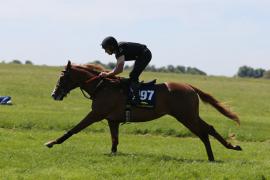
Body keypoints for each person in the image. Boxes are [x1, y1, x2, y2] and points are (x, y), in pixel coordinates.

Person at [99, 36, 152, 104]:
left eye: (106, 49)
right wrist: (108, 74)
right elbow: (117, 67)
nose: (105, 51)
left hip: (145, 54)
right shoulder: (118, 50)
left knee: (133, 76)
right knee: (132, 76)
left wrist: (107, 74)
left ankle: (137, 99)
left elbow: (119, 70)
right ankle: (132, 92)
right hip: (141, 55)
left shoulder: (119, 50)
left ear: (111, 47)